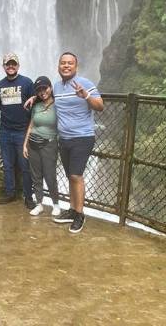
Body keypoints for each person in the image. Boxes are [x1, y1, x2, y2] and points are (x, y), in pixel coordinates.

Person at [51, 52, 103, 234]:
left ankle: (80, 214)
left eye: (70, 63)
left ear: (76, 66)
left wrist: (86, 96)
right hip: (64, 138)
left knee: (76, 175)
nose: (66, 66)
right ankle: (72, 210)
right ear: (59, 66)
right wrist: (35, 99)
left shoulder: (85, 83)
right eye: (63, 63)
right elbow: (49, 102)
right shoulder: (57, 87)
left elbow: (100, 106)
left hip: (82, 137)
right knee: (70, 176)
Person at [0, 52, 36, 208]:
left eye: (13, 63)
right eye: (8, 64)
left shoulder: (27, 83)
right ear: (4, 66)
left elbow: (36, 101)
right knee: (8, 165)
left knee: (25, 166)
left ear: (18, 66)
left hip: (22, 132)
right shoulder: (0, 85)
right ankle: (10, 193)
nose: (10, 66)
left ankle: (28, 196)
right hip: (5, 131)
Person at [23, 76, 61, 217]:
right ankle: (39, 204)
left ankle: (56, 204)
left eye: (45, 88)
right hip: (33, 144)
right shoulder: (36, 106)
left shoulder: (58, 105)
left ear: (51, 87)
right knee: (36, 176)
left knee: (50, 175)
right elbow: (31, 125)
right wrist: (25, 144)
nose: (42, 92)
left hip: (49, 144)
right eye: (39, 90)